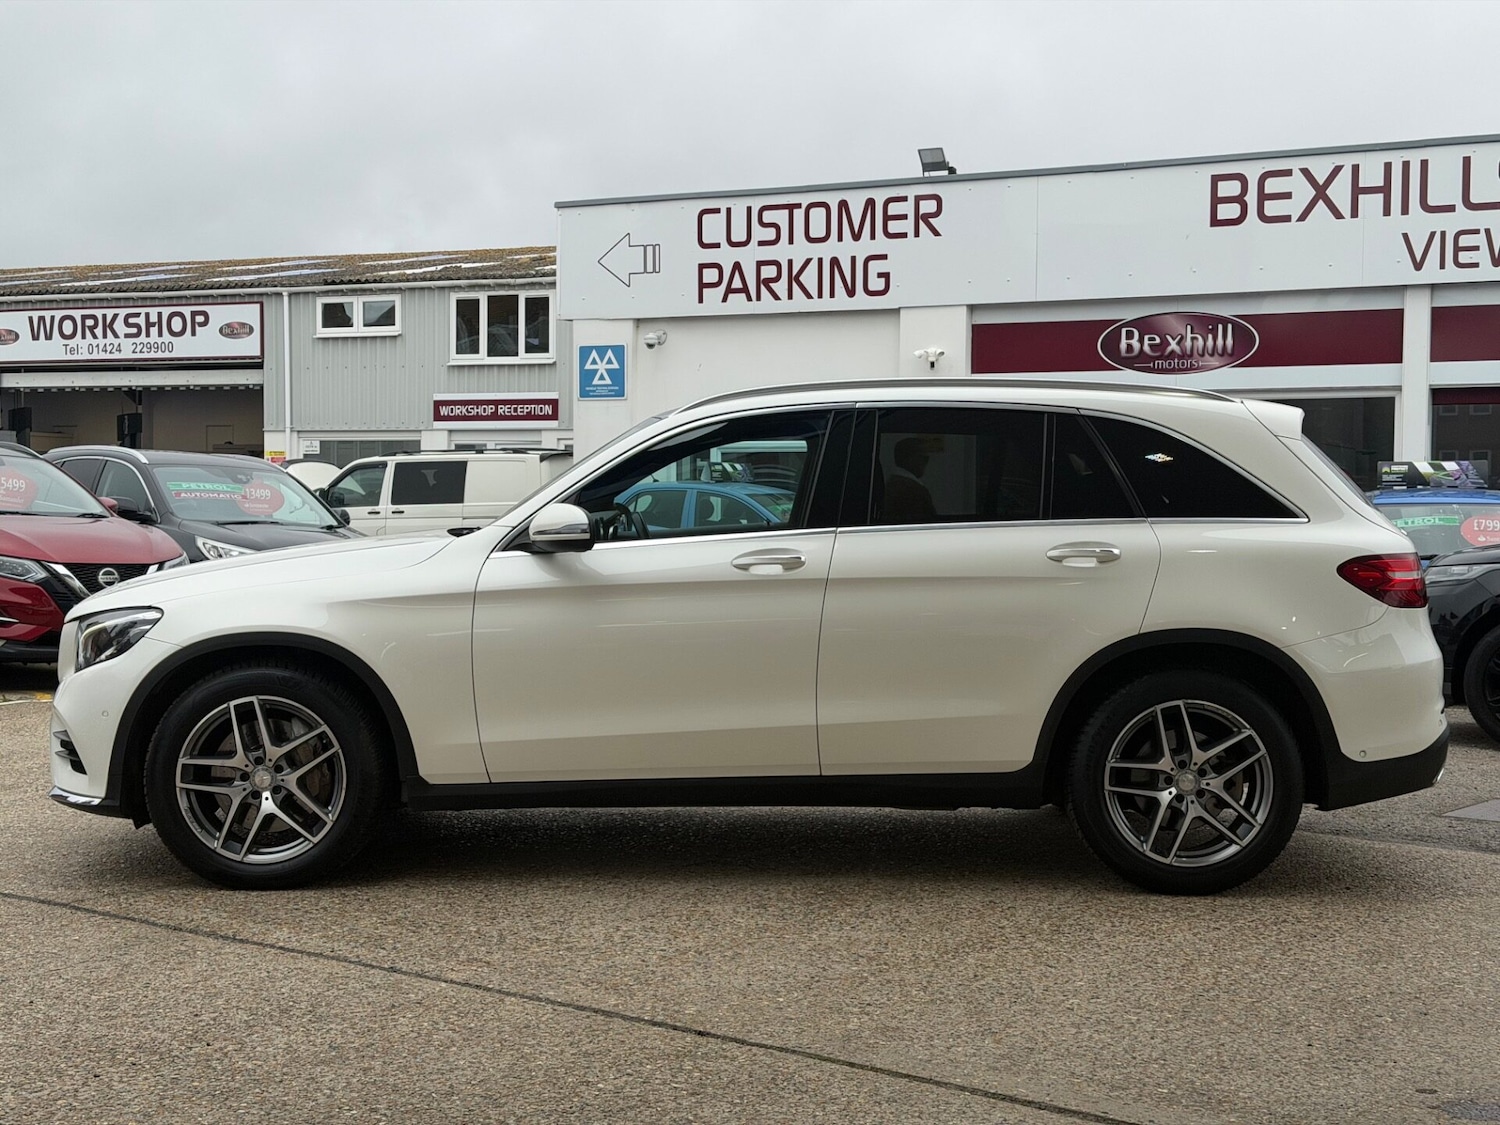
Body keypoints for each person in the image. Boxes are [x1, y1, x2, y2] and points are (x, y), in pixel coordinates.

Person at [884, 435, 940, 522]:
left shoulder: (891, 484)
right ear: (910, 459)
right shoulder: (914, 491)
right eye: (924, 458)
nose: (926, 463)